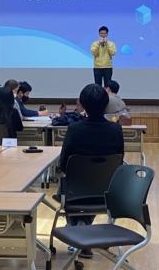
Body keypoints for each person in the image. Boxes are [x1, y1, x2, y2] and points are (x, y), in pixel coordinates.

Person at [59, 83, 124, 259]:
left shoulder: (74, 130)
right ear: (106, 104)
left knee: (72, 185)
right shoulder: (116, 130)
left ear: (83, 104)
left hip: (74, 192)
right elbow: (118, 162)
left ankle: (78, 228)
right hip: (104, 192)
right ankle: (85, 224)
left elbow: (63, 164)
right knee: (97, 181)